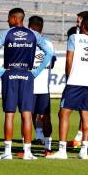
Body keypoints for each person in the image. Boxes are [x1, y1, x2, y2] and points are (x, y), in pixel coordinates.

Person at [0, 8, 53, 160]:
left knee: (9, 114)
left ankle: (7, 152)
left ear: (14, 18)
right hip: (26, 74)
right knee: (26, 114)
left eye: (8, 18)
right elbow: (49, 53)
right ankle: (28, 152)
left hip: (10, 74)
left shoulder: (6, 33)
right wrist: (36, 72)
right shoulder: (34, 35)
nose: (7, 21)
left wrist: (0, 71)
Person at [46, 12, 88, 160]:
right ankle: (84, 150)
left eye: (80, 21)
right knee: (85, 115)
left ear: (83, 24)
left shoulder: (74, 38)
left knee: (63, 113)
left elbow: (69, 60)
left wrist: (68, 78)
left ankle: (62, 150)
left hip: (75, 81)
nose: (78, 23)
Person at [28, 16, 56, 156]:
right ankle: (48, 148)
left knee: (27, 116)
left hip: (29, 86)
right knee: (46, 117)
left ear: (29, 26)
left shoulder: (27, 42)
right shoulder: (49, 44)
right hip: (44, 87)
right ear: (41, 27)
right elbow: (53, 62)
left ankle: (26, 149)